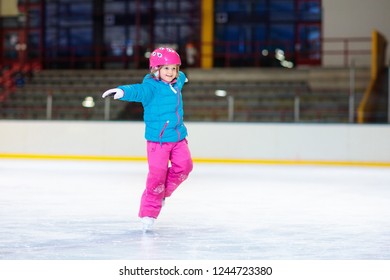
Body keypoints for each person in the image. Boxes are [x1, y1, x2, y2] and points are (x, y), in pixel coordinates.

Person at [102, 47, 193, 232]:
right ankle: (149, 212)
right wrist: (121, 91)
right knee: (157, 176)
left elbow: (182, 76)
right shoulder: (150, 88)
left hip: (178, 137)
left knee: (185, 167)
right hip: (157, 142)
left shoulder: (178, 81)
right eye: (166, 68)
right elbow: (137, 91)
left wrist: (182, 75)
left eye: (174, 68)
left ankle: (162, 195)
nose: (171, 72)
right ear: (155, 69)